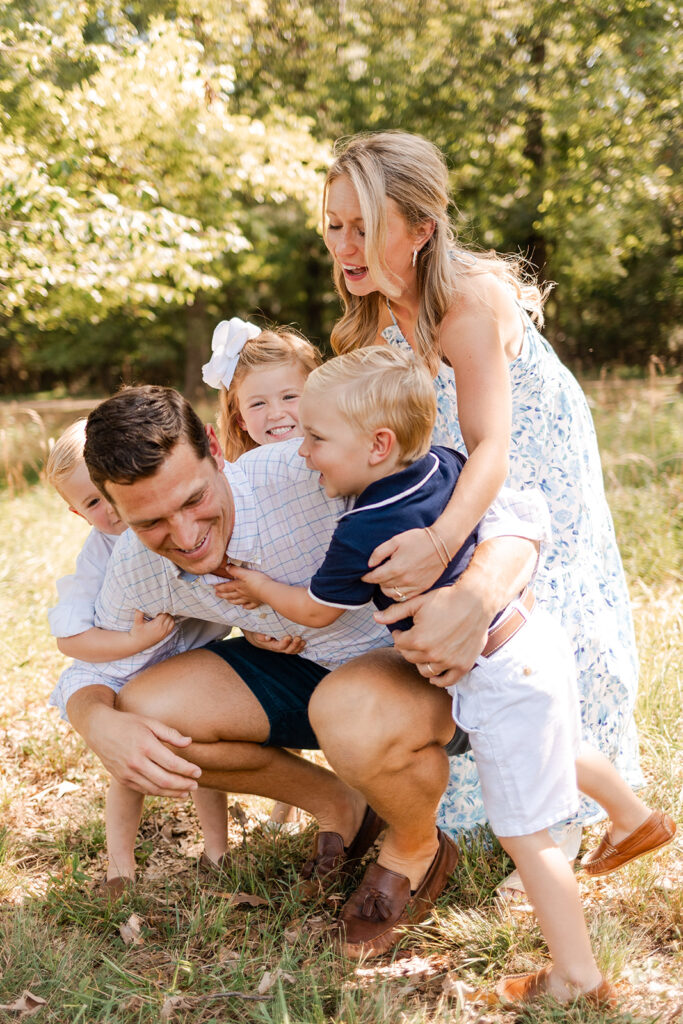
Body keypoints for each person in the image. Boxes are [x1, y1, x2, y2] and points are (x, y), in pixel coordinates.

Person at [220, 347, 675, 1004]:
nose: (303, 452)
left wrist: (258, 583)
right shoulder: (441, 463)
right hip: (528, 637)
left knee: (524, 833)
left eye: (317, 438)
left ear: (377, 445)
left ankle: (576, 976)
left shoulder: (365, 528)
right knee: (546, 741)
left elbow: (313, 613)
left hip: (492, 673)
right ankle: (633, 819)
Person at [50, 384, 544, 961]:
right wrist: (96, 725)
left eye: (193, 500)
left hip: (431, 673)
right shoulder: (141, 565)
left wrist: (477, 595)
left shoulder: (308, 468)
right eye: (151, 521)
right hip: (311, 681)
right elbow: (93, 673)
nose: (184, 537)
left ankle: (415, 846)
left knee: (347, 706)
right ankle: (340, 804)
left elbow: (516, 511)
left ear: (214, 446)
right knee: (142, 709)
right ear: (112, 509)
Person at [321, 130, 643, 853]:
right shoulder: (374, 317)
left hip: (531, 480)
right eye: (335, 225)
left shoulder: (469, 305)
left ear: (421, 229)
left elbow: (493, 447)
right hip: (469, 490)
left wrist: (439, 543)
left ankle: (580, 812)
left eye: (364, 228)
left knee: (538, 637)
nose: (344, 245)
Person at [45, 420, 230, 891]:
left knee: (202, 759)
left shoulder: (175, 523)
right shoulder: (97, 554)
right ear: (75, 512)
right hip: (130, 664)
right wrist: (134, 643)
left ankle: (218, 851)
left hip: (191, 654)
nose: (109, 508)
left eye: (110, 490)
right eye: (91, 502)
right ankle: (119, 869)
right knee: (129, 771)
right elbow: (70, 638)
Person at [202, 316, 322, 828]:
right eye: (258, 403)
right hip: (278, 629)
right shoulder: (235, 484)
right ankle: (298, 793)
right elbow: (223, 578)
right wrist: (254, 628)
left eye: (290, 397)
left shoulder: (338, 462)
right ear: (238, 416)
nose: (276, 414)